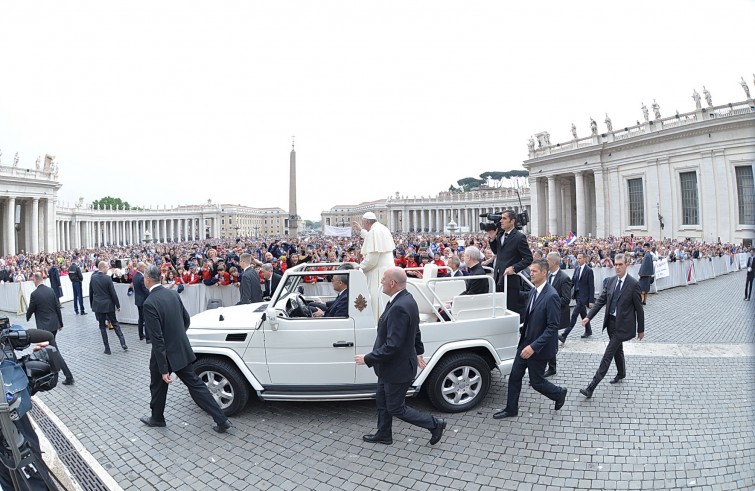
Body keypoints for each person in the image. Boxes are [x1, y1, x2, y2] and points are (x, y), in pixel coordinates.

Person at [355, 267, 446, 446]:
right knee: (382, 400)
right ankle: (384, 434)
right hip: (389, 367)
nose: (381, 283)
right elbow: (415, 331)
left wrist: (368, 358)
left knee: (396, 407)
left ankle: (435, 425)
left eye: (383, 280)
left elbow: (393, 346)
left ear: (392, 283)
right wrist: (419, 351)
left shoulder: (400, 306)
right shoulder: (406, 299)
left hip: (397, 369)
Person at [139, 265, 232, 433]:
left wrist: (163, 368)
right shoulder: (173, 294)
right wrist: (177, 337)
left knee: (157, 385)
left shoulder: (149, 303)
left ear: (147, 279)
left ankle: (157, 418)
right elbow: (186, 319)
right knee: (196, 385)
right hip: (181, 349)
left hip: (163, 355)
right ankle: (221, 419)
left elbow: (157, 339)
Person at [493, 260, 567, 419]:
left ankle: (559, 393)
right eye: (530, 271)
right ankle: (511, 409)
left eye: (534, 271)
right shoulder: (534, 291)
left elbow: (552, 327)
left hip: (538, 348)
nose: (530, 274)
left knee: (536, 382)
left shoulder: (552, 296)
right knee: (514, 377)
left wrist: (533, 347)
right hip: (525, 343)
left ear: (544, 273)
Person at [579, 254, 645, 398]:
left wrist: (641, 329)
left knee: (608, 355)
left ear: (626, 265)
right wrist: (588, 317)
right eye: (616, 264)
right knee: (617, 350)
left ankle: (591, 387)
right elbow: (601, 301)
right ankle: (622, 373)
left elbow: (639, 309)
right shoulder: (610, 281)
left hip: (623, 326)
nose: (617, 267)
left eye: (620, 264)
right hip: (610, 323)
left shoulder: (634, 284)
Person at [26, 272, 74, 385]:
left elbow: (31, 308)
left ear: (35, 280)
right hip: (53, 325)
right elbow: (57, 307)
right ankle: (53, 373)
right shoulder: (51, 291)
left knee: (54, 352)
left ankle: (69, 376)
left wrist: (28, 316)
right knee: (50, 350)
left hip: (44, 328)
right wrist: (60, 323)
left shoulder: (34, 294)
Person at [486, 210, 533, 316]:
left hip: (510, 280)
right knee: (498, 309)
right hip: (498, 278)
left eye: (504, 218)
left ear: (512, 221)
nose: (501, 221)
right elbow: (497, 252)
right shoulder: (500, 235)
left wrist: (514, 268)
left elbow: (528, 258)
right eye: (501, 218)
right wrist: (492, 238)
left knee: (510, 310)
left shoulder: (519, 237)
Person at [353, 212, 395, 321]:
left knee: (377, 301)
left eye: (363, 224)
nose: (364, 225)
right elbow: (371, 239)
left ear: (367, 222)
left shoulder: (374, 232)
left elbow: (372, 260)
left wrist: (360, 267)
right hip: (388, 270)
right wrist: (361, 230)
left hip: (378, 272)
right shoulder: (382, 228)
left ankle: (377, 322)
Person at [89, 260, 128, 354]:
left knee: (102, 327)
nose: (108, 268)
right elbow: (113, 293)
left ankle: (107, 348)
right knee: (115, 323)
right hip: (109, 304)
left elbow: (91, 292)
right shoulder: (107, 278)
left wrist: (92, 304)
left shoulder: (93, 278)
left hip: (98, 305)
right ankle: (123, 343)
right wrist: (117, 305)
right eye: (107, 267)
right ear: (102, 267)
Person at [544, 252, 572, 377]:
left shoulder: (564, 278)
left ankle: (552, 367)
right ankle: (550, 366)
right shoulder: (548, 275)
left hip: (556, 315)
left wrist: (549, 301)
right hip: (546, 314)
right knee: (549, 341)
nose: (546, 262)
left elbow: (566, 299)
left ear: (554, 263)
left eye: (548, 260)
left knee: (551, 342)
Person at [560, 252, 595, 342]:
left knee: (574, 315)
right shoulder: (577, 269)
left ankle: (564, 335)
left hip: (584, 297)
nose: (578, 260)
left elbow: (591, 286)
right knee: (583, 314)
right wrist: (565, 289)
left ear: (584, 259)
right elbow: (573, 282)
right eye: (577, 258)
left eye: (580, 258)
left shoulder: (589, 270)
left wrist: (591, 300)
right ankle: (588, 330)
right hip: (577, 295)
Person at [132, 262, 151, 343]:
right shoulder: (141, 277)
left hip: (138, 300)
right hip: (143, 300)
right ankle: (148, 338)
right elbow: (145, 290)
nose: (145, 268)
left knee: (141, 318)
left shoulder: (135, 276)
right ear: (140, 267)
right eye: (144, 267)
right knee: (146, 319)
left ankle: (141, 335)